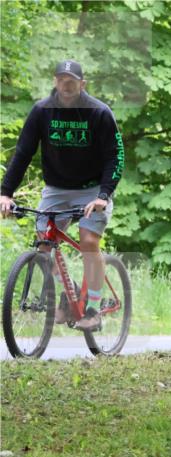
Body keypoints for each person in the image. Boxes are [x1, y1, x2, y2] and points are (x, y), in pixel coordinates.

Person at [0, 60, 124, 330]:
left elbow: (115, 157)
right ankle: (68, 295)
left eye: (72, 81)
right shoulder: (42, 111)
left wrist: (104, 195)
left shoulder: (99, 113)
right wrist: (5, 193)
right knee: (45, 246)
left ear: (82, 84)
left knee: (88, 241)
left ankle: (93, 308)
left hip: (92, 190)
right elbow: (22, 153)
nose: (66, 86)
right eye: (61, 80)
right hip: (56, 190)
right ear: (55, 82)